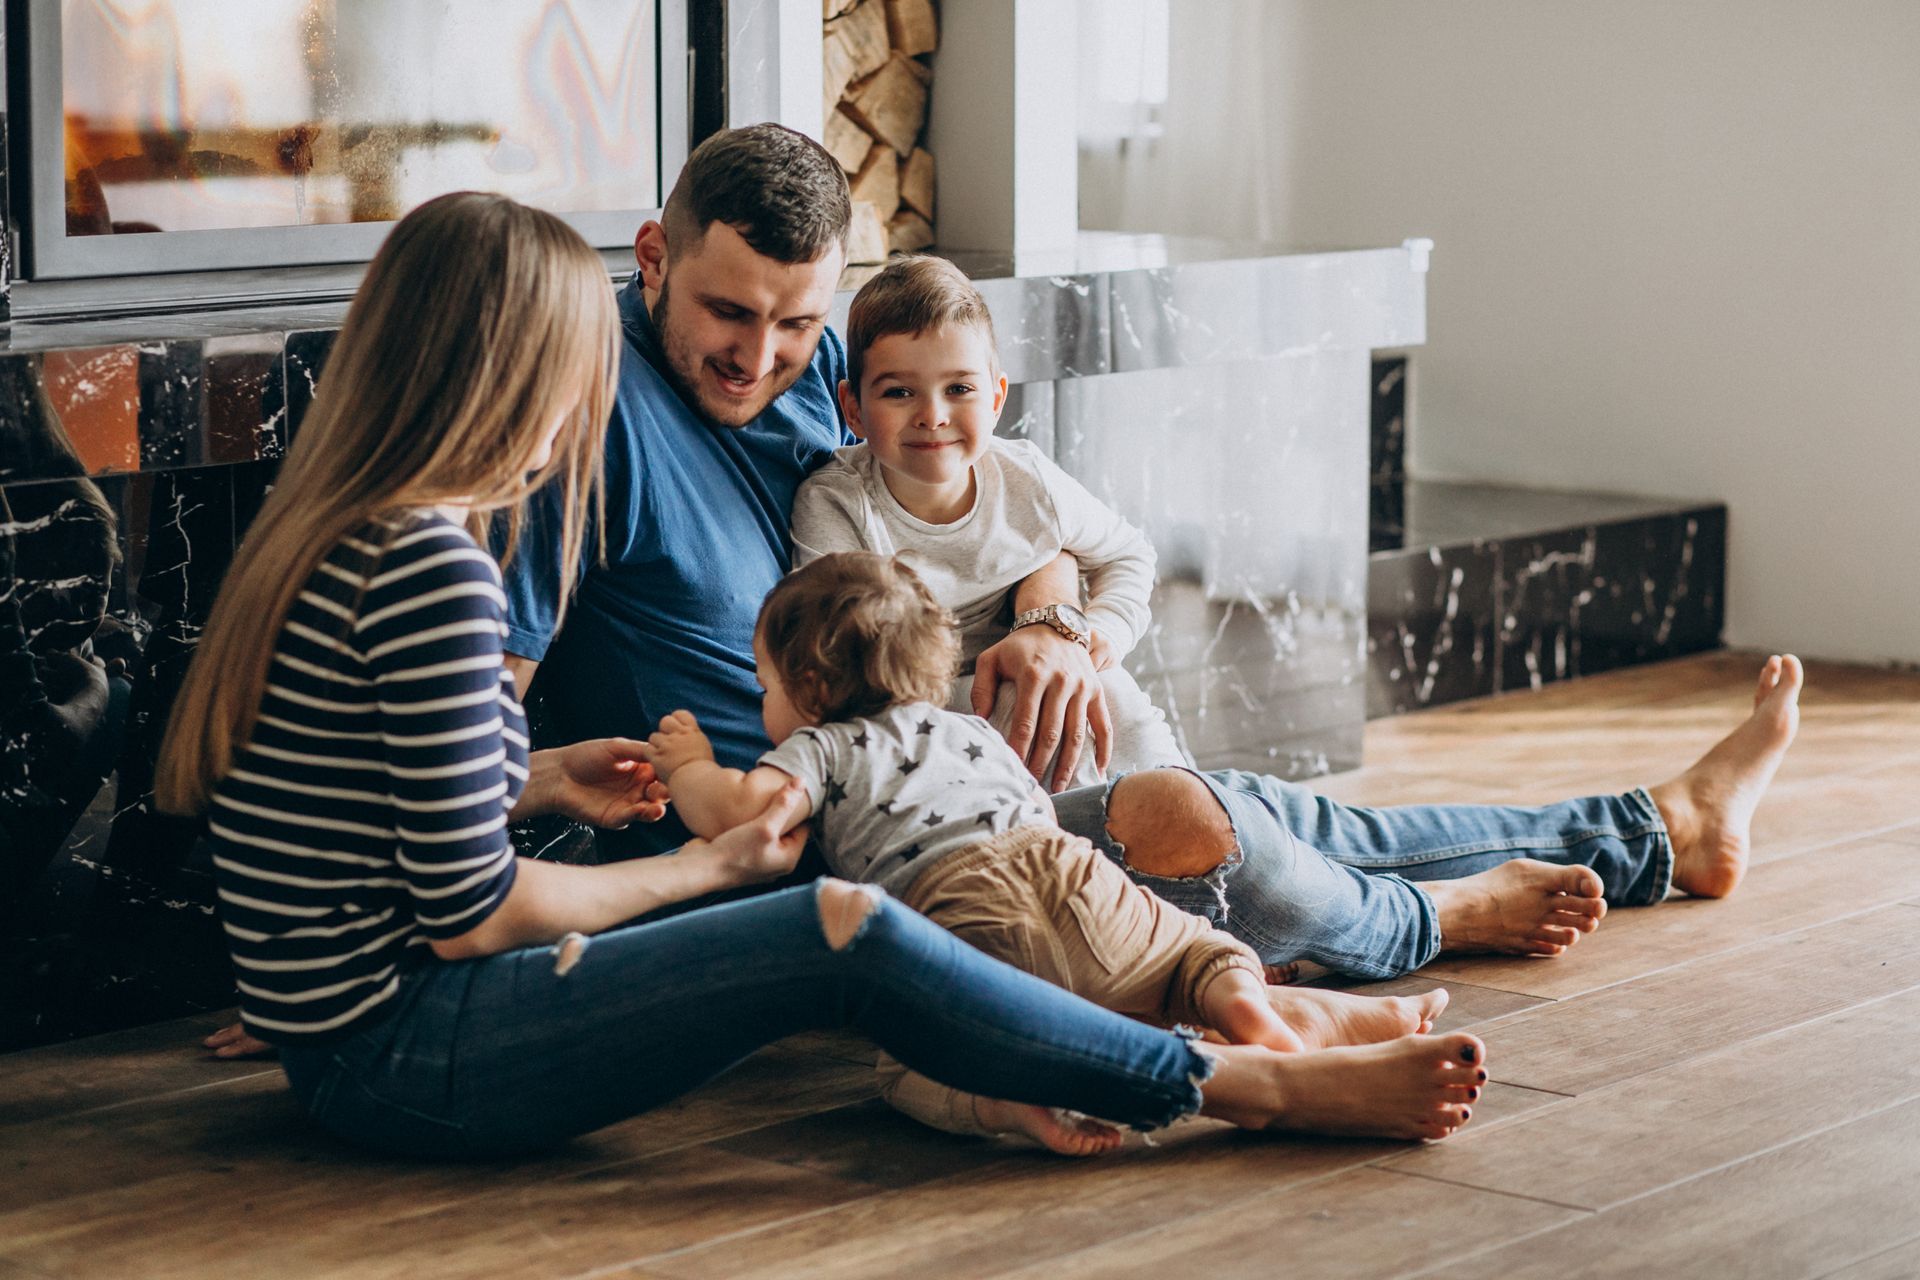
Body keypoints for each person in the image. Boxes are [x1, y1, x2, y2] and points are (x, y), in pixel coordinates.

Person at [209, 123, 1801, 1056]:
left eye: (794, 324)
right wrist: (398, 938)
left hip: (936, 756)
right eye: (725, 312)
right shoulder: (578, 412)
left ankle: (1655, 832)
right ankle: (1500, 893)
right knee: (1224, 828)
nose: (762, 359)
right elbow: (453, 706)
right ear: (649, 257)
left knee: (1230, 804)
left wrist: (1048, 603)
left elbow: (982, 496)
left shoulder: (838, 367)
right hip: (805, 819)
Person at [161, 191, 1485, 1155]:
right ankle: (1241, 1082)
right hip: (412, 1049)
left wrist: (547, 770)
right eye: (584, 359)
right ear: (519, 370)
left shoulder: (345, 531)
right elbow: (470, 917)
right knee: (837, 928)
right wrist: (705, 869)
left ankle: (1287, 1001)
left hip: (355, 1037)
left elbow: (368, 801)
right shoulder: (435, 567)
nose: (595, 394)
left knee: (1117, 833)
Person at [647, 552, 1461, 1148]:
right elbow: (1039, 808)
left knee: (904, 1067)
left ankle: (1008, 1102)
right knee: (1185, 950)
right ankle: (1237, 1002)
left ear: (813, 690)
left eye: (764, 684)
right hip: (1071, 868)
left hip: (963, 910)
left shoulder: (824, 747)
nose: (762, 701)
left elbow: (746, 814)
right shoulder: (966, 729)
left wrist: (687, 765)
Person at [792, 254, 1182, 792]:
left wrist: (1098, 637)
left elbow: (1128, 554)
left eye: (959, 389)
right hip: (928, 714)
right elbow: (836, 655)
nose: (933, 415)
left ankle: (1188, 804)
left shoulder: (1028, 480)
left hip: (1048, 679)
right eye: (899, 392)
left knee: (1116, 702)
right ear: (853, 409)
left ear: (997, 398)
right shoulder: (834, 503)